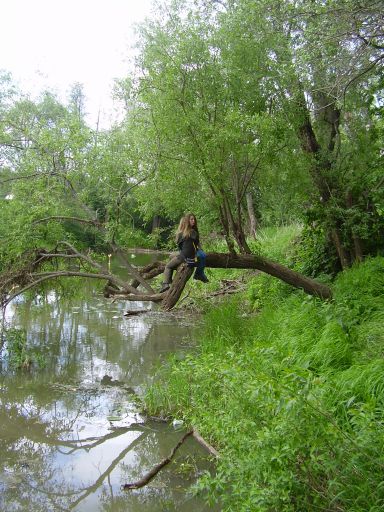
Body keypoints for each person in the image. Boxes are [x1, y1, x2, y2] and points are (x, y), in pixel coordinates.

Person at [160, 213, 209, 293]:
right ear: (187, 222)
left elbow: (181, 247)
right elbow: (194, 245)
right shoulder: (192, 232)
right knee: (171, 256)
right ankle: (169, 281)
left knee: (168, 266)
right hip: (188, 256)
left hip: (185, 257)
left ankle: (165, 284)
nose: (193, 221)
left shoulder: (183, 233)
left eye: (194, 219)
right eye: (191, 219)